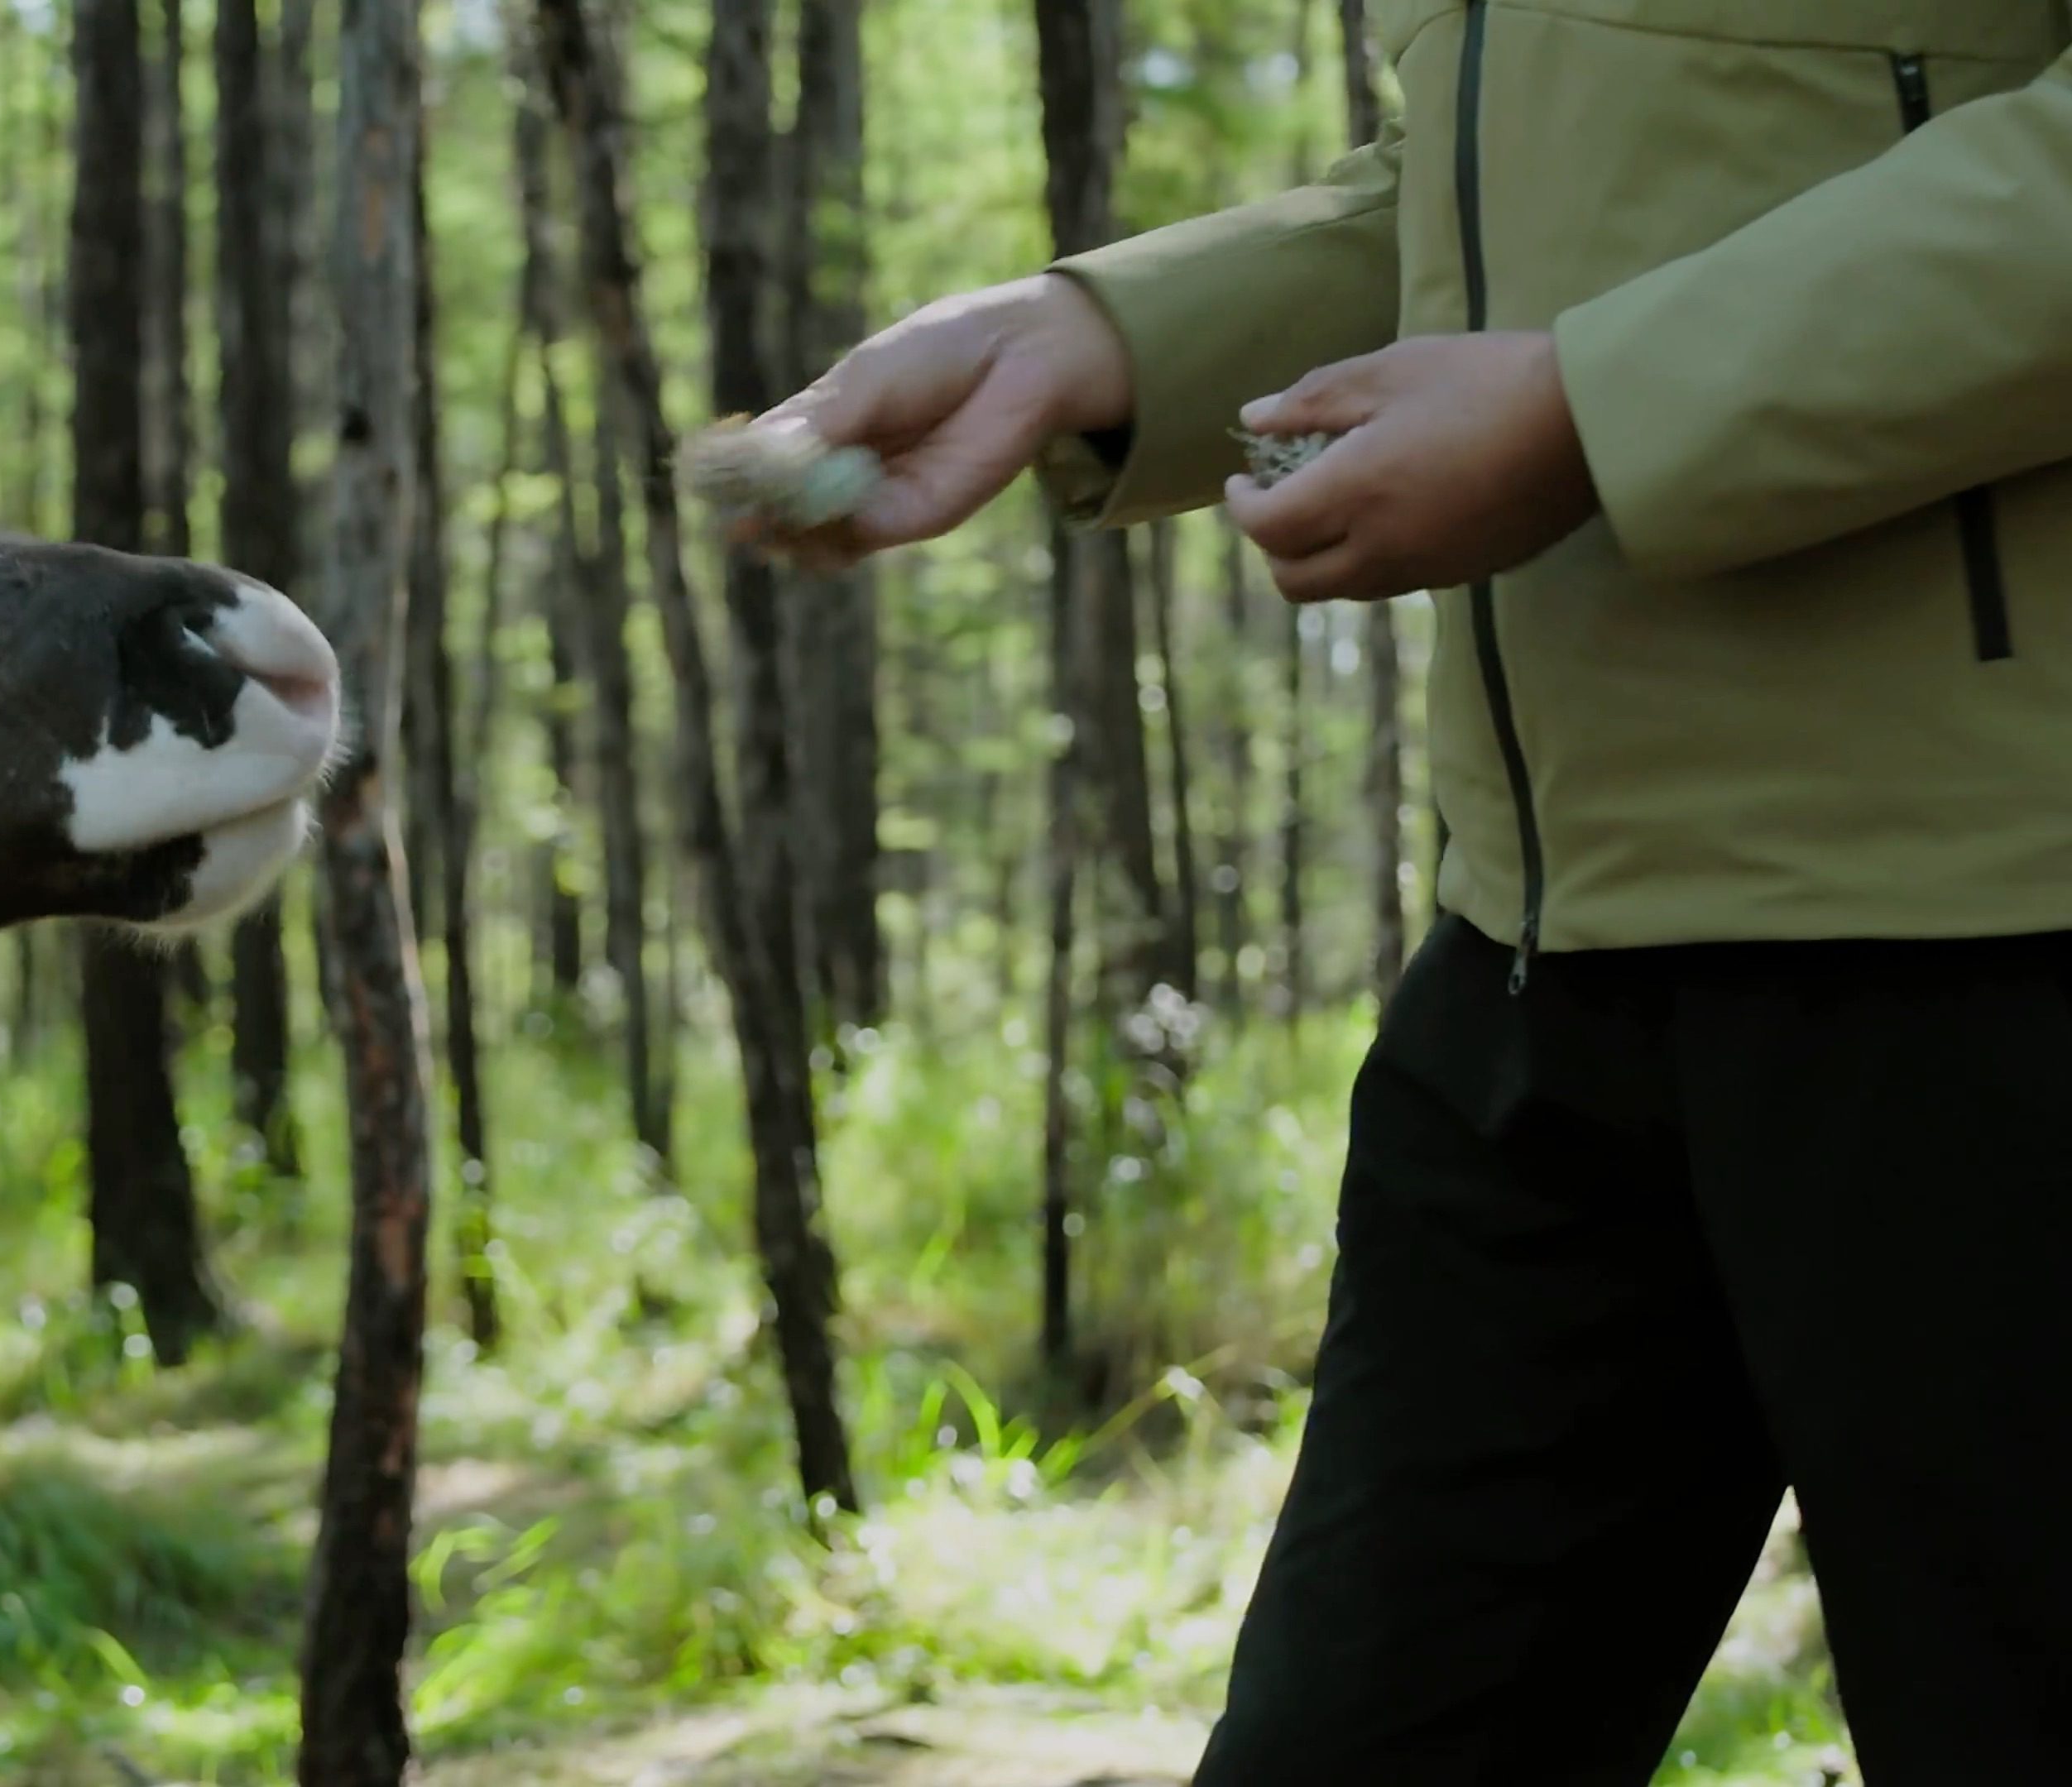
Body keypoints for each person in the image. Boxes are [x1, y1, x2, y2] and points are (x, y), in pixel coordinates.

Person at [739, 7, 2072, 1783]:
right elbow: (1517, 207)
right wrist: (1096, 336)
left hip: (1996, 947)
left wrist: (1602, 410)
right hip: (1538, 971)